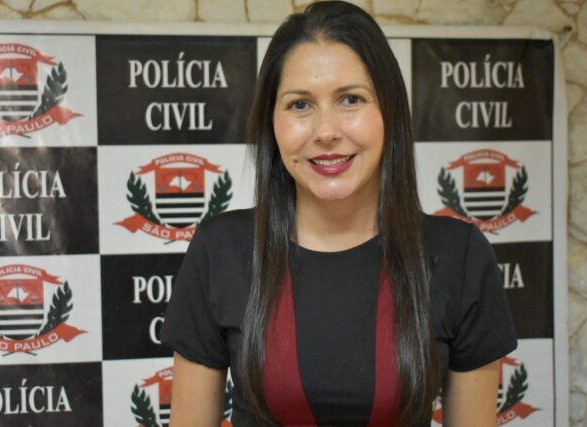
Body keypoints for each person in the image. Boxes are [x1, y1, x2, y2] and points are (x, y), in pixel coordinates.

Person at [159, 1, 518, 426]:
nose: (326, 131)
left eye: (351, 99)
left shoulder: (459, 255)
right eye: (300, 104)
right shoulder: (221, 249)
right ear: (272, 123)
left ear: (389, 112)